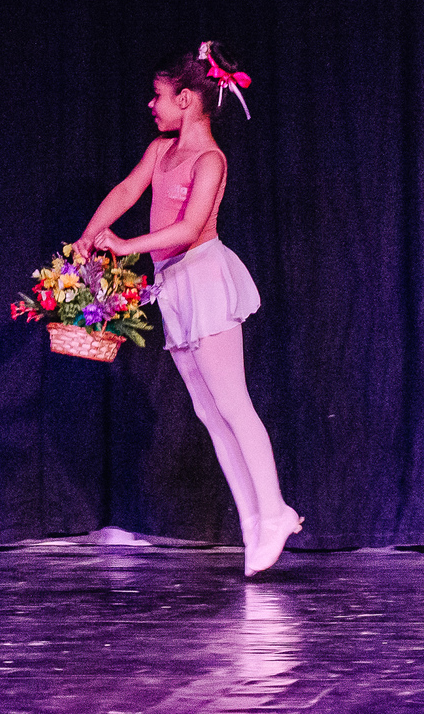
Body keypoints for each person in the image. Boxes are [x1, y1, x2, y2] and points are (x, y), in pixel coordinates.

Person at [72, 42, 301, 576]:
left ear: (187, 99)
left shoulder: (210, 160)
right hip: (173, 284)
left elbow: (191, 227)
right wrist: (89, 235)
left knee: (233, 403)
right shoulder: (160, 151)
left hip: (204, 278)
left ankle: (276, 510)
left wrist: (124, 245)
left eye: (158, 95)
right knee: (207, 411)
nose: (150, 105)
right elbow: (127, 190)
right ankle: (253, 520)